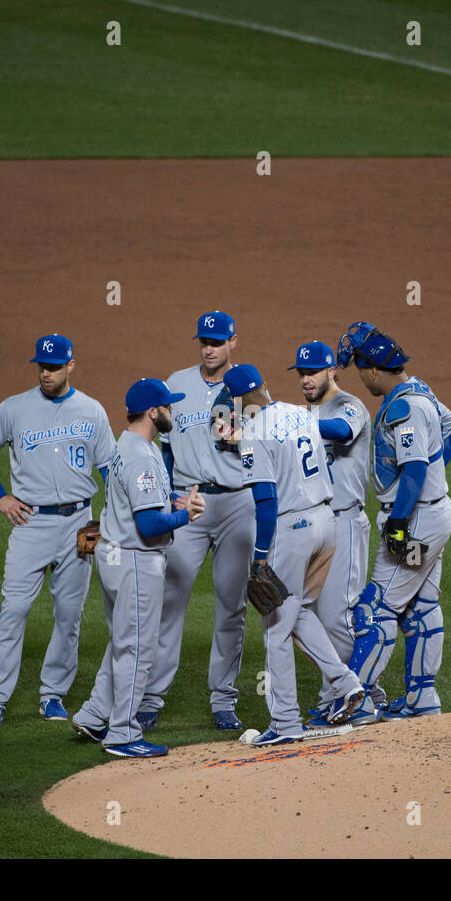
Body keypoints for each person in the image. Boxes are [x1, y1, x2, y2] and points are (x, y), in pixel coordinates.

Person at [0, 334, 116, 727]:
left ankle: (52, 695)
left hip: (78, 523)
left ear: (71, 365)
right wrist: (0, 496)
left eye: (53, 367)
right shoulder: (14, 408)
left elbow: (109, 471)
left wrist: (106, 519)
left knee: (69, 616)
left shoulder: (91, 410)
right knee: (13, 610)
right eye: (41, 366)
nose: (46, 373)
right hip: (30, 523)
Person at [226, 364, 365, 746]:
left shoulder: (253, 434)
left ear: (235, 402)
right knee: (298, 607)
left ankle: (285, 721)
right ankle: (346, 682)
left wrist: (259, 557)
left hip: (294, 529)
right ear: (265, 386)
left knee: (275, 625)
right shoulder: (301, 414)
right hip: (327, 521)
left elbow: (266, 502)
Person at [70, 379, 205, 757]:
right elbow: (148, 526)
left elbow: (140, 500)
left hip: (113, 556)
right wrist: (186, 516)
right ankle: (123, 734)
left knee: (122, 641)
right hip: (135, 560)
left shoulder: (125, 445)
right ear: (153, 412)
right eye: (167, 406)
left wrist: (175, 501)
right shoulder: (143, 457)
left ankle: (95, 714)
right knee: (139, 649)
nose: (171, 411)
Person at [334, 322, 451, 721]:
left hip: (416, 519)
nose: (361, 379)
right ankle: (422, 699)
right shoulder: (421, 389)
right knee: (421, 607)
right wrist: (432, 482)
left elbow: (415, 468)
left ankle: (355, 702)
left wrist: (401, 523)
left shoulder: (405, 407)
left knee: (377, 608)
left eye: (360, 371)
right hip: (434, 513)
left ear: (373, 371)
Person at [138, 312, 255, 732]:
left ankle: (223, 699)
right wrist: (167, 495)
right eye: (204, 340)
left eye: (217, 341)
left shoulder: (248, 388)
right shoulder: (177, 383)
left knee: (232, 605)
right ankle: (151, 697)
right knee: (170, 599)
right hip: (188, 501)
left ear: (233, 342)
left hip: (237, 503)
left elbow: (266, 451)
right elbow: (165, 449)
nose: (209, 348)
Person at [288, 341, 377, 726]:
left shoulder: (350, 406)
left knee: (338, 615)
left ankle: (356, 699)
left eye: (313, 372)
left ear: (331, 371)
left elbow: (341, 432)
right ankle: (344, 693)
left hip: (345, 522)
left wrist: (294, 423)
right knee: (307, 614)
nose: (306, 379)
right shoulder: (305, 412)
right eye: (301, 373)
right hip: (316, 526)